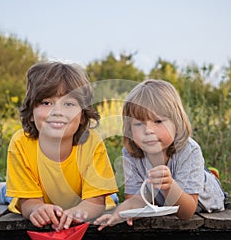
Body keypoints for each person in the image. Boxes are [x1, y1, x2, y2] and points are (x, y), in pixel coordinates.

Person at [94, 79, 225, 230]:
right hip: (164, 199)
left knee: (203, 180)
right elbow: (136, 200)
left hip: (202, 200)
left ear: (176, 123)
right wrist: (121, 212)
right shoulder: (130, 154)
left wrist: (169, 186)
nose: (148, 130)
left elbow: (187, 212)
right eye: (138, 124)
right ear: (129, 129)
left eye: (158, 121)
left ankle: (209, 176)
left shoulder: (189, 150)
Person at [3, 61, 118, 231]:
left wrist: (79, 212)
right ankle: (3, 187)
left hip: (84, 197)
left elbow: (95, 201)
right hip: (35, 192)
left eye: (69, 104)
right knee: (8, 194)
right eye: (46, 103)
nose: (57, 111)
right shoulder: (20, 143)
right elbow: (28, 201)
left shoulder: (92, 142)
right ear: (31, 113)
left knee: (111, 198)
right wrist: (37, 209)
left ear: (83, 116)